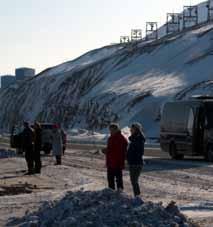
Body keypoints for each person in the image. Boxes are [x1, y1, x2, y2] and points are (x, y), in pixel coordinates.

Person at [105, 123, 128, 192]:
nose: (110, 131)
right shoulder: (111, 138)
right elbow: (111, 148)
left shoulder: (120, 138)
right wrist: (107, 151)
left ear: (116, 129)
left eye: (112, 130)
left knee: (118, 179)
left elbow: (119, 150)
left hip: (117, 161)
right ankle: (111, 191)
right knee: (110, 178)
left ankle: (120, 192)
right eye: (110, 130)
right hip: (111, 161)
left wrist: (108, 151)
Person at [127, 123, 146, 197]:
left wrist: (131, 156)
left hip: (136, 162)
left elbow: (139, 152)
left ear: (136, 130)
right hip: (133, 162)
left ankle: (137, 196)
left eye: (132, 129)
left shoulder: (138, 139)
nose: (130, 130)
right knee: (133, 181)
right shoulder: (135, 138)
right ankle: (137, 195)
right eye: (131, 129)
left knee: (134, 181)